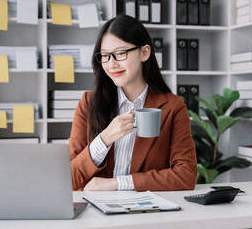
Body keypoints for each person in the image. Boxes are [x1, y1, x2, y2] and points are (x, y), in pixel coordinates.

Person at [69, 15, 197, 191]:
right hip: (95, 214)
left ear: (144, 53)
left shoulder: (173, 107)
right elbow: (69, 179)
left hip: (145, 213)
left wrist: (118, 183)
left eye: (120, 53)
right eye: (105, 56)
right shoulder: (88, 104)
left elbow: (186, 175)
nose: (111, 64)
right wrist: (105, 139)